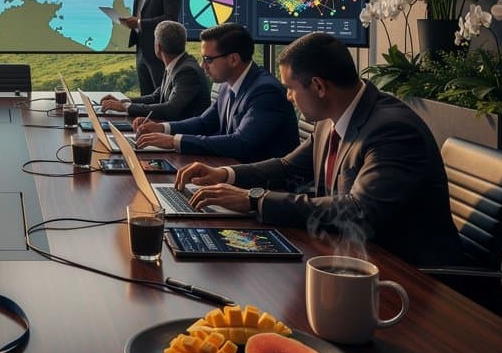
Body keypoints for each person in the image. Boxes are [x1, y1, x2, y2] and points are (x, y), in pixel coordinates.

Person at [175, 32, 464, 266]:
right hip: (348, 257)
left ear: (318, 87)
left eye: (290, 88)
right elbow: (288, 167)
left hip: (413, 278)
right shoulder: (330, 120)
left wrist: (255, 200)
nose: (288, 97)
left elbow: (359, 210)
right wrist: (226, 174)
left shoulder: (393, 131)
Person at [134, 23, 298, 161]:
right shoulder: (227, 84)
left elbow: (241, 143)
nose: (202, 65)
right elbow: (204, 122)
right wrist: (161, 128)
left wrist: (174, 141)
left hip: (262, 183)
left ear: (233, 59)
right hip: (229, 169)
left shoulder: (265, 92)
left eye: (208, 59)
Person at [68, 0, 181, 95]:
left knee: (161, 96)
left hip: (159, 53)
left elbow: (170, 19)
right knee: (146, 96)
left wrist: (139, 23)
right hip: (141, 50)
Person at [99, 20, 210, 121]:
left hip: (183, 133)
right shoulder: (178, 64)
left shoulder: (187, 71)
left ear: (158, 46)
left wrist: (126, 107)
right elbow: (156, 97)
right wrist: (122, 101)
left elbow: (171, 109)